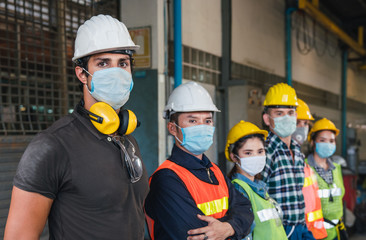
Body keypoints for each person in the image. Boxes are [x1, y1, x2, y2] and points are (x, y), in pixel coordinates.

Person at [4, 15, 149, 239]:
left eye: (123, 63)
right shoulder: (52, 146)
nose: (116, 72)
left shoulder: (127, 139)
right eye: (103, 63)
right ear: (82, 73)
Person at [145, 82, 254, 240]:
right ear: (172, 128)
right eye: (193, 121)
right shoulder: (166, 179)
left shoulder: (214, 171)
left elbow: (246, 209)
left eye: (208, 121)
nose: (202, 127)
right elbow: (198, 235)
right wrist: (235, 226)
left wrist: (227, 228)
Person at [261, 83, 315, 240]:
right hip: (278, 230)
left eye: (291, 112)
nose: (286, 118)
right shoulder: (265, 151)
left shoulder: (297, 151)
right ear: (267, 118)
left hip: (300, 227)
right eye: (279, 113)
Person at [226, 120, 288, 240]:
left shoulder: (259, 188)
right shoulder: (239, 189)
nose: (256, 157)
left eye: (260, 151)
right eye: (248, 153)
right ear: (234, 157)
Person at [292, 99, 328, 239]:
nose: (302, 127)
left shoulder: (302, 161)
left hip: (311, 233)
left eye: (305, 123)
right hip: (297, 232)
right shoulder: (282, 159)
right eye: (298, 123)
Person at [306, 118, 346, 240]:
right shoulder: (305, 167)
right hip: (314, 234)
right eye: (322, 140)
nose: (328, 144)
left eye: (331, 141)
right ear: (313, 142)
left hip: (336, 232)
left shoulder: (336, 168)